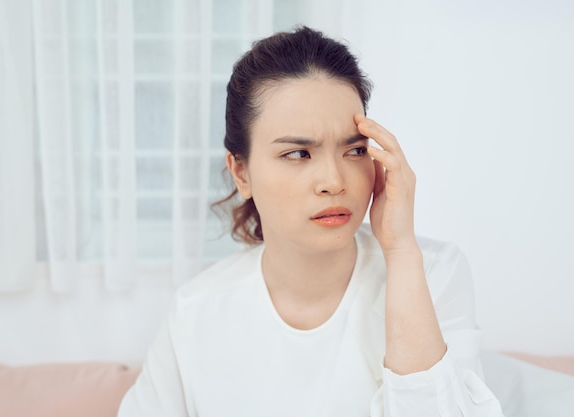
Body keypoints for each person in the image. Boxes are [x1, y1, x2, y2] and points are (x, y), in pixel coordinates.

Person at [118, 26, 504, 416]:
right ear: (241, 172)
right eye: (299, 154)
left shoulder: (433, 275)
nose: (334, 182)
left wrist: (401, 253)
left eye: (354, 150)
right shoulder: (195, 313)